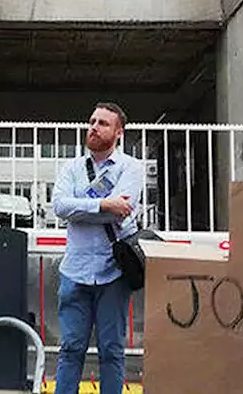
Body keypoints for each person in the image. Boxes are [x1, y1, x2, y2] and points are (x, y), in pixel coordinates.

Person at [50, 103, 144, 394]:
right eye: (91, 121)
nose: (93, 127)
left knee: (112, 351)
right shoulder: (72, 167)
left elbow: (122, 212)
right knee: (70, 349)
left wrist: (83, 208)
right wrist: (104, 204)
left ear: (118, 132)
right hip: (74, 272)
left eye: (103, 123)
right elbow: (60, 206)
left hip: (112, 273)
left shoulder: (132, 168)